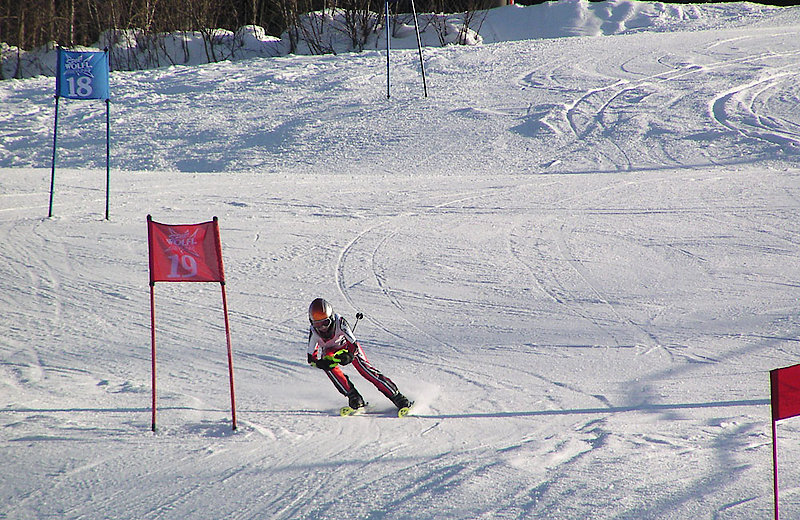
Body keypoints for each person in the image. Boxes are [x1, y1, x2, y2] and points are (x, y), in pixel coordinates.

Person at [306, 297, 411, 410]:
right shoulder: (314, 332)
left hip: (347, 347)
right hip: (331, 351)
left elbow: (353, 344)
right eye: (317, 324)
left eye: (325, 323)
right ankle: (353, 396)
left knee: (365, 369)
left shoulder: (340, 322)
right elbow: (311, 358)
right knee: (328, 364)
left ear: (331, 318)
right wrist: (320, 364)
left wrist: (349, 355)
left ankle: (395, 395)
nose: (322, 328)